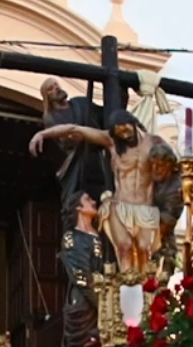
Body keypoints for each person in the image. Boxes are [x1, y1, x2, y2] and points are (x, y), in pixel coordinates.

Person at [30, 110, 159, 274]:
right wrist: (42, 134)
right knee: (124, 250)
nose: (125, 136)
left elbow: (171, 168)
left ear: (133, 123)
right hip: (121, 206)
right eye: (120, 133)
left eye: (126, 130)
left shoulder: (153, 142)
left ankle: (147, 296)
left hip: (145, 207)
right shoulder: (112, 142)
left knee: (145, 252)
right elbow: (75, 129)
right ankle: (127, 295)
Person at [48, 191, 104, 347]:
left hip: (99, 300)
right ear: (78, 208)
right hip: (82, 301)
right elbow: (80, 273)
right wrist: (101, 301)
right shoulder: (72, 238)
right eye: (88, 200)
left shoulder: (99, 236)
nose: (94, 201)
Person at [38, 78, 106, 231]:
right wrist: (87, 134)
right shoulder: (51, 117)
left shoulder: (81, 103)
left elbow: (105, 116)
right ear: (47, 97)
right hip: (78, 162)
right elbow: (69, 139)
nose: (56, 88)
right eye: (50, 88)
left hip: (98, 158)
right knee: (75, 203)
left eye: (56, 85)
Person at [147, 139, 183, 274]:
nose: (155, 169)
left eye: (160, 165)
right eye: (153, 165)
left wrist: (149, 246)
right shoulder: (155, 180)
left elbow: (166, 224)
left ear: (170, 166)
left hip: (162, 244)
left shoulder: (176, 188)